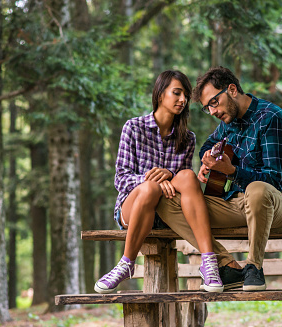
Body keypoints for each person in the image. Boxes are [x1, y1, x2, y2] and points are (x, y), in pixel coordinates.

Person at [157, 66, 282, 291]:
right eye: (207, 108)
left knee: (257, 190)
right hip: (236, 203)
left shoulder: (271, 118)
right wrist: (208, 158)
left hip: (277, 204)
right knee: (167, 201)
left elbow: (273, 181)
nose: (212, 112)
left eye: (213, 102)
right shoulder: (228, 123)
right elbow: (207, 144)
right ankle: (226, 265)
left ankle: (254, 267)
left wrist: (232, 171)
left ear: (232, 89)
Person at [94, 70, 224, 294]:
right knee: (151, 187)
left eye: (185, 95)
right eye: (176, 93)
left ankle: (209, 261)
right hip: (133, 209)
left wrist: (169, 178)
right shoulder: (133, 128)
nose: (182, 100)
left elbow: (185, 185)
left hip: (168, 214)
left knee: (187, 176)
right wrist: (150, 180)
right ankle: (126, 263)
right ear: (160, 94)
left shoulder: (187, 138)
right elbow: (121, 179)